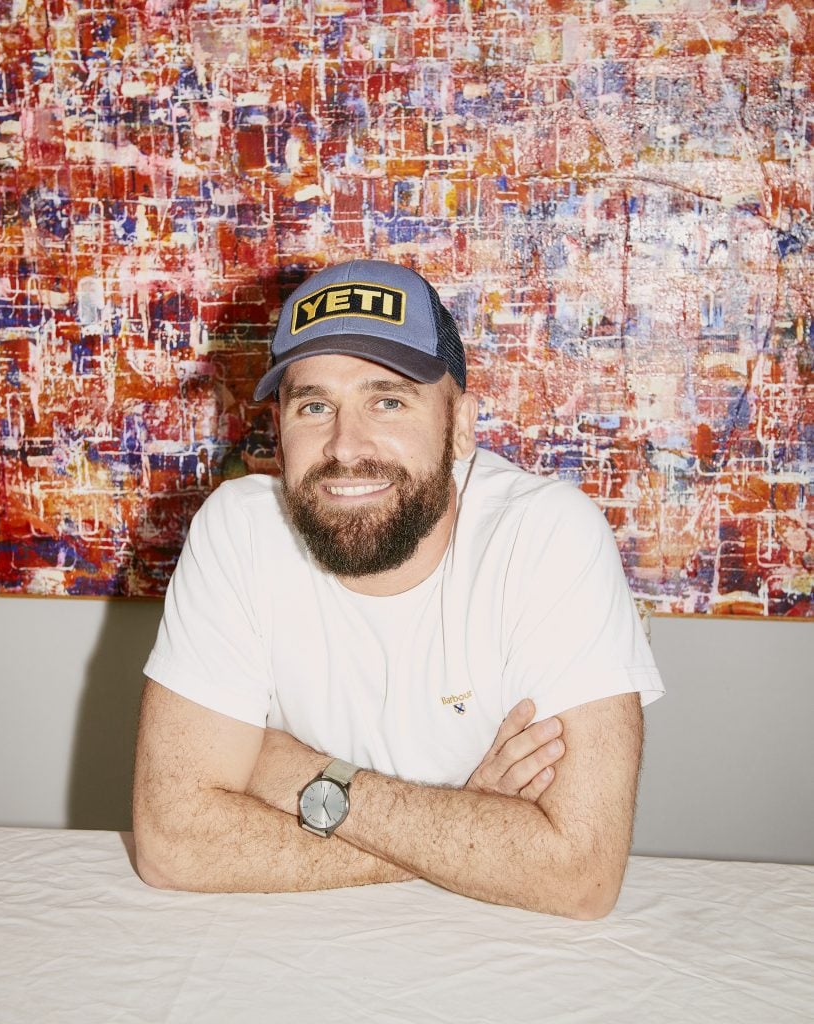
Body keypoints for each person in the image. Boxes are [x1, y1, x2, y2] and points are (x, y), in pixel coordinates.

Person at [133, 259, 664, 919]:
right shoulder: (238, 529)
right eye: (314, 405)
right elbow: (174, 845)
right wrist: (466, 828)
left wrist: (296, 775)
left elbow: (577, 875)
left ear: (461, 424)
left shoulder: (544, 533)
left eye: (387, 399)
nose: (344, 446)